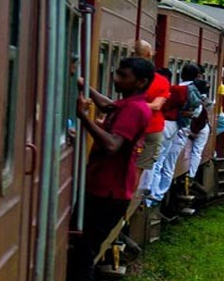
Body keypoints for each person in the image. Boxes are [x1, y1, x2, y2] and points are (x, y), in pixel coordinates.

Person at [68, 57, 154, 281]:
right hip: (104, 189)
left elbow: (112, 145)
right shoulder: (128, 104)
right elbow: (107, 105)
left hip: (107, 193)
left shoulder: (135, 110)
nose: (115, 78)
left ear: (141, 82)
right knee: (81, 250)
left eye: (123, 75)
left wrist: (83, 118)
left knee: (83, 254)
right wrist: (84, 85)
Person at [148, 63, 201, 204]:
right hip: (178, 128)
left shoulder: (176, 90)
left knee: (157, 161)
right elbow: (196, 112)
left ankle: (152, 193)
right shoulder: (193, 90)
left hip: (167, 125)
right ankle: (158, 194)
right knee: (167, 163)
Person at [135, 41, 169, 197]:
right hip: (152, 127)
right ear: (150, 55)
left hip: (129, 124)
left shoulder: (127, 74)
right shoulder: (161, 81)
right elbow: (156, 106)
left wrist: (129, 106)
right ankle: (135, 193)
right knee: (144, 164)